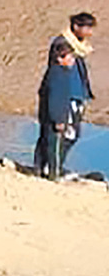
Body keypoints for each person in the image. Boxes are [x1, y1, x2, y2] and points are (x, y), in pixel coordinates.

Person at [37, 41, 87, 180]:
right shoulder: (57, 74)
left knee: (57, 143)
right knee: (55, 147)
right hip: (55, 117)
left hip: (60, 115)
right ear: (60, 59)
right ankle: (54, 173)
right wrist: (58, 119)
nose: (72, 61)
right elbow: (55, 99)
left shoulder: (63, 73)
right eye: (69, 58)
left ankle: (49, 170)